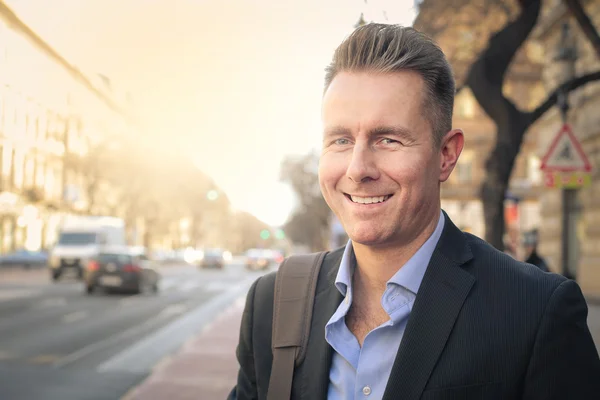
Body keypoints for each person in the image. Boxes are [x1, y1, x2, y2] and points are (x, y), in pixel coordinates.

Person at [229, 24, 600, 399]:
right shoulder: (273, 303)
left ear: (446, 155)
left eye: (388, 139)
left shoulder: (535, 313)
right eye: (341, 140)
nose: (358, 169)